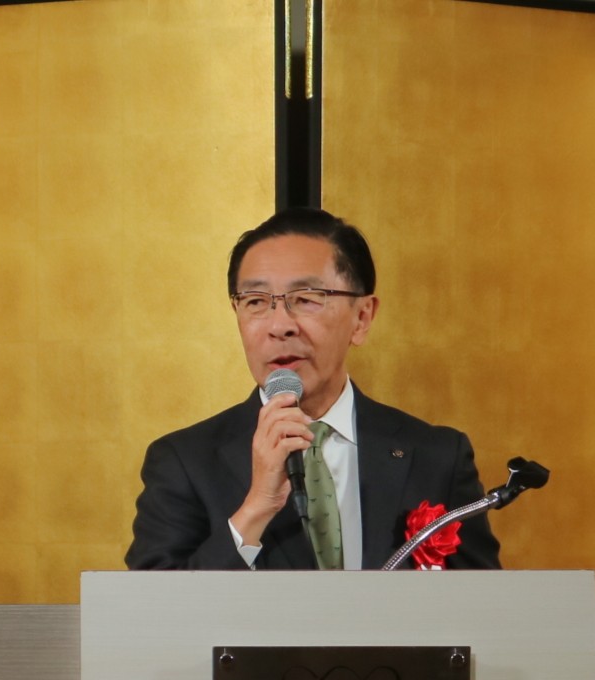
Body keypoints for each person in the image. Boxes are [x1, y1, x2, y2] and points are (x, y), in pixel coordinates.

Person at [124, 208, 501, 570]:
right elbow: (155, 607)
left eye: (305, 299)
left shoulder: (437, 458)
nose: (279, 326)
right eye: (256, 302)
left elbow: (484, 605)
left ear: (362, 318)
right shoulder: (183, 463)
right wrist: (255, 509)